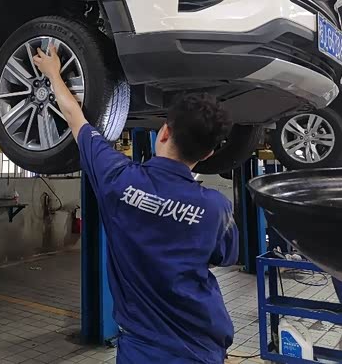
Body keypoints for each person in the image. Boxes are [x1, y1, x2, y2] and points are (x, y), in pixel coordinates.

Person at [34, 46, 240, 364]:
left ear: (165, 133)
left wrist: (52, 73)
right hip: (203, 347)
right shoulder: (216, 208)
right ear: (208, 154)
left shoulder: (119, 180)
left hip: (142, 350)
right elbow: (225, 257)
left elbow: (76, 120)